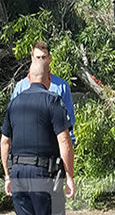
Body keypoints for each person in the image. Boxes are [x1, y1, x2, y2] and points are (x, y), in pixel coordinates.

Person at [1, 61, 75, 215]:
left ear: (28, 78)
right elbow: (64, 141)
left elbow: (4, 142)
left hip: (18, 174)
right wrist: (69, 177)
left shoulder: (14, 103)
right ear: (49, 77)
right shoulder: (53, 101)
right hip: (43, 174)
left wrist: (8, 176)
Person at [11, 41, 75, 144]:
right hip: (25, 144)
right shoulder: (21, 87)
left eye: (43, 57)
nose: (41, 61)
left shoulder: (61, 86)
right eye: (38, 57)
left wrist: (70, 143)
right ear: (32, 58)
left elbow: (69, 117)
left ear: (49, 59)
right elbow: (12, 118)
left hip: (53, 145)